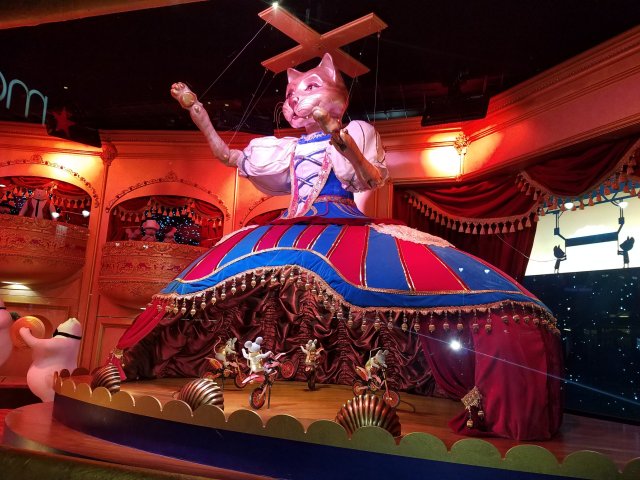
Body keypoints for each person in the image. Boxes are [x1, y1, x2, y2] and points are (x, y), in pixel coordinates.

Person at [114, 53, 563, 441]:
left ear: (337, 96)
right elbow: (228, 156)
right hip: (291, 224)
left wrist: (339, 137)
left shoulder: (358, 131)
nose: (296, 99)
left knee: (413, 280)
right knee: (206, 279)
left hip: (343, 219)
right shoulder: (284, 147)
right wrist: (197, 111)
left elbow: (370, 178)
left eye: (308, 88)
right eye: (292, 94)